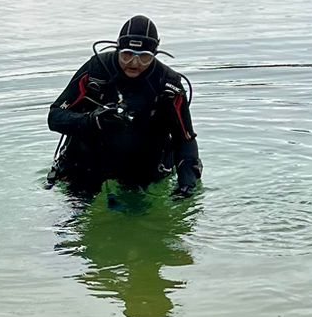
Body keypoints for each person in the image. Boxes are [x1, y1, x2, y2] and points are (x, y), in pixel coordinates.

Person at [46, 15, 201, 199]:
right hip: (87, 165)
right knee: (75, 212)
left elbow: (185, 139)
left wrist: (186, 186)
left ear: (155, 54)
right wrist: (92, 121)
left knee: (141, 213)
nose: (134, 63)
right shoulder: (97, 70)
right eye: (127, 55)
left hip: (141, 170)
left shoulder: (168, 83)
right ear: (118, 49)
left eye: (144, 57)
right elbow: (55, 117)